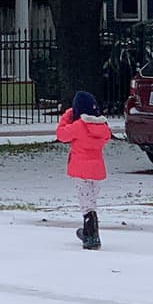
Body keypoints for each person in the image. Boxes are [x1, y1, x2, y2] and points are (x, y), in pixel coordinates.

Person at [56, 91, 112, 250]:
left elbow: (61, 135)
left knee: (85, 203)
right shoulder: (102, 126)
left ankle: (91, 235)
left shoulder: (79, 126)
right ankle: (89, 232)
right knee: (91, 201)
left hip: (81, 170)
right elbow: (107, 136)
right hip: (98, 171)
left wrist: (67, 115)